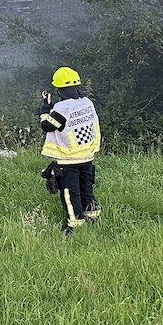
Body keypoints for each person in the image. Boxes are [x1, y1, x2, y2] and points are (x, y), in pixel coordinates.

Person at [39, 66, 102, 236]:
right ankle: (93, 218)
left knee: (70, 193)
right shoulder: (87, 103)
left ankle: (75, 225)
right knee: (86, 188)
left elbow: (47, 125)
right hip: (87, 156)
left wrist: (45, 108)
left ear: (59, 90)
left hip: (68, 160)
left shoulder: (62, 108)